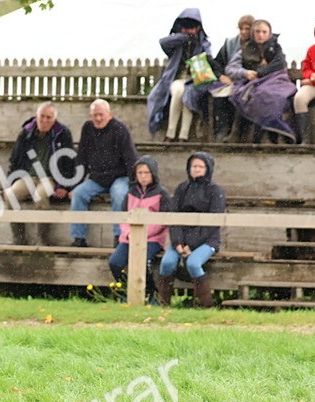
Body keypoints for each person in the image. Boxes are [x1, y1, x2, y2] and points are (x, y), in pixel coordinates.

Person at [157, 151, 226, 308]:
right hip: (181, 239)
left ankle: (205, 306)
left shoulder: (216, 191)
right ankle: (163, 305)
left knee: (194, 263)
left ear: (208, 169)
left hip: (207, 240)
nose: (196, 169)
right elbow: (173, 217)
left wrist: (192, 245)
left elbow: (213, 222)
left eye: (200, 166)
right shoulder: (182, 188)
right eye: (194, 166)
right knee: (167, 262)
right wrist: (177, 242)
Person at [66, 99, 137, 247]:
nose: (98, 118)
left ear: (109, 115)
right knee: (78, 194)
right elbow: (82, 158)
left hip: (119, 176)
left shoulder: (120, 129)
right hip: (97, 178)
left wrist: (133, 185)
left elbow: (131, 159)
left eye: (101, 115)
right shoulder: (87, 128)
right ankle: (79, 238)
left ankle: (119, 238)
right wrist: (75, 185)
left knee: (119, 194)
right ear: (90, 116)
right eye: (94, 115)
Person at [3, 102, 76, 245]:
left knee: (40, 196)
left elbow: (69, 163)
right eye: (42, 116)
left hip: (50, 178)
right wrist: (8, 183)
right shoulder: (26, 132)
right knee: (10, 195)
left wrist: (65, 187)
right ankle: (19, 239)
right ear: (36, 116)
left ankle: (43, 241)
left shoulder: (63, 133)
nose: (44, 120)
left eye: (49, 117)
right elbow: (15, 159)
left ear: (54, 119)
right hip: (28, 176)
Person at [146, 8, 222, 142]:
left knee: (188, 94)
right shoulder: (176, 42)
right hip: (176, 79)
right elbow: (164, 43)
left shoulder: (204, 44)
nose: (189, 30)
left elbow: (209, 58)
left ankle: (183, 135)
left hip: (194, 81)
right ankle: (171, 132)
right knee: (179, 91)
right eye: (186, 27)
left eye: (192, 27)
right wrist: (184, 37)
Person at [108, 156, 170, 301]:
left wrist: (143, 233)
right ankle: (125, 292)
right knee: (115, 262)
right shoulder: (130, 193)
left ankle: (150, 294)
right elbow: (124, 217)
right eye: (140, 173)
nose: (143, 176)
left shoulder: (162, 194)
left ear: (153, 174)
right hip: (129, 237)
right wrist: (129, 233)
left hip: (153, 238)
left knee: (143, 261)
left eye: (146, 173)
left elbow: (162, 220)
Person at [225, 20, 297, 143]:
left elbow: (279, 65)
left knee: (273, 97)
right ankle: (239, 133)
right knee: (249, 95)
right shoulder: (244, 49)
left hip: (276, 81)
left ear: (269, 33)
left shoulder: (276, 48)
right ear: (253, 33)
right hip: (253, 83)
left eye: (264, 32)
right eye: (257, 31)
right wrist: (245, 73)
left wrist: (261, 72)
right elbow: (230, 69)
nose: (260, 35)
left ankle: (276, 134)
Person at [211, 15, 254, 141]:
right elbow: (217, 63)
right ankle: (222, 130)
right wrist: (220, 76)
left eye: (247, 29)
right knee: (218, 93)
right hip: (228, 79)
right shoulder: (229, 44)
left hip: (245, 81)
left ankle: (237, 133)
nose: (244, 32)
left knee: (240, 95)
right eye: (241, 29)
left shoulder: (256, 45)